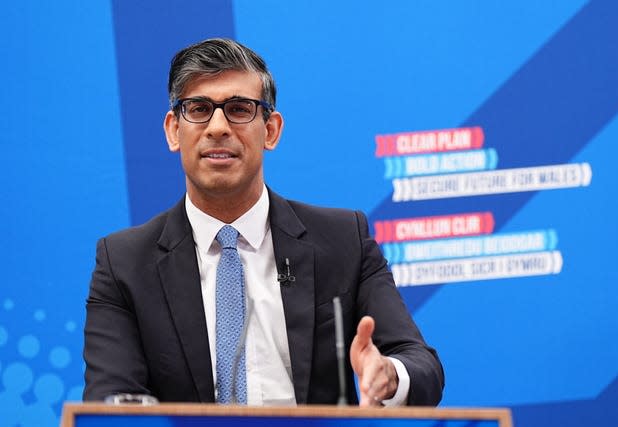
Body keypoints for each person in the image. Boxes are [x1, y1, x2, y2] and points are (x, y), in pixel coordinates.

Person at [83, 38, 444, 406]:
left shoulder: (343, 240)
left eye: (239, 109)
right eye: (199, 109)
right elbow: (110, 399)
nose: (218, 127)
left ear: (270, 130)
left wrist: (387, 376)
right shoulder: (124, 263)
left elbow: (421, 366)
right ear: (174, 130)